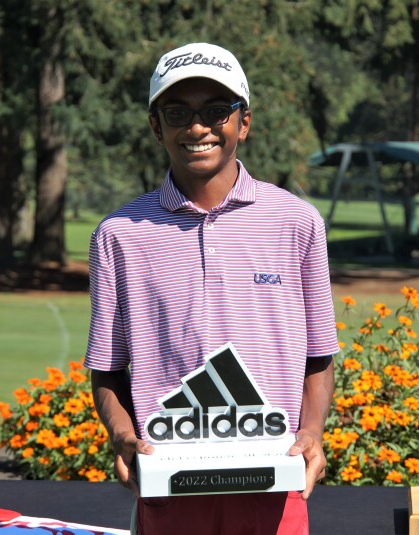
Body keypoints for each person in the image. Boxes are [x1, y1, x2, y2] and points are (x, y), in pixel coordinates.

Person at [85, 42, 339, 534]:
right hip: (169, 485)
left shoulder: (298, 222)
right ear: (156, 126)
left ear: (243, 122)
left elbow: (319, 356)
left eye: (216, 111)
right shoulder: (118, 233)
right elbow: (107, 368)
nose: (198, 127)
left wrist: (311, 433)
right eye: (178, 111)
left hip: (273, 481)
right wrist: (122, 438)